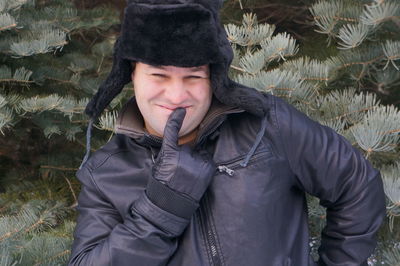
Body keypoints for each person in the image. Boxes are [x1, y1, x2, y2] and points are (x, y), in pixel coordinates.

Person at [68, 0, 386, 265]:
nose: (176, 96)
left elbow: (356, 184)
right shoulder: (106, 173)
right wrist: (159, 210)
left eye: (193, 77)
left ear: (214, 77)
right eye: (159, 75)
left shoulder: (267, 126)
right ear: (131, 75)